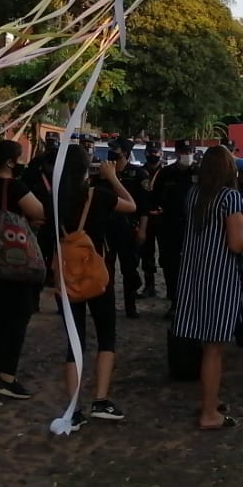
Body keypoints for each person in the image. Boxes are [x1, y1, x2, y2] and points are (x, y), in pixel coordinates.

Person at [172, 146, 243, 430]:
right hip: (220, 278)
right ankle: (208, 413)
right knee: (215, 348)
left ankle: (209, 400)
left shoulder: (194, 195)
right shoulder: (230, 198)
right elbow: (237, 244)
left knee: (206, 345)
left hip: (195, 276)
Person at [59, 145, 137, 428]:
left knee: (74, 341)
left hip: (66, 276)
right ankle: (101, 400)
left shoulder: (55, 199)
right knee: (106, 336)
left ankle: (73, 408)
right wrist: (113, 177)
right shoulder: (99, 195)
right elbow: (131, 205)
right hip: (96, 276)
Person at [0, 140, 46, 399]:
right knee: (18, 316)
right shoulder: (14, 187)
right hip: (14, 262)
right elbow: (39, 211)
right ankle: (7, 376)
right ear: (11, 162)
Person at [152, 139, 199, 319]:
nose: (187, 155)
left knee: (193, 265)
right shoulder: (166, 174)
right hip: (170, 225)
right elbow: (156, 198)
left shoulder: (200, 173)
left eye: (190, 151)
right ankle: (175, 302)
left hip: (194, 226)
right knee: (170, 265)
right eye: (184, 151)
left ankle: (192, 303)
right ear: (177, 153)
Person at [104, 137, 149, 318]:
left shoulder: (139, 175)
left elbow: (144, 206)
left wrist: (143, 229)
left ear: (124, 152)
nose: (112, 152)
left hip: (129, 227)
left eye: (116, 149)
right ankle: (107, 305)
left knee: (129, 268)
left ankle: (131, 306)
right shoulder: (104, 173)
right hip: (107, 226)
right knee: (107, 269)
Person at [136, 141, 165, 298]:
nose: (153, 155)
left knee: (167, 255)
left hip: (163, 219)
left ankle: (171, 289)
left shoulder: (167, 172)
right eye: (150, 152)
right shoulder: (141, 172)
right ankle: (149, 285)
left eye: (156, 152)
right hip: (145, 218)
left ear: (161, 153)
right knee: (146, 253)